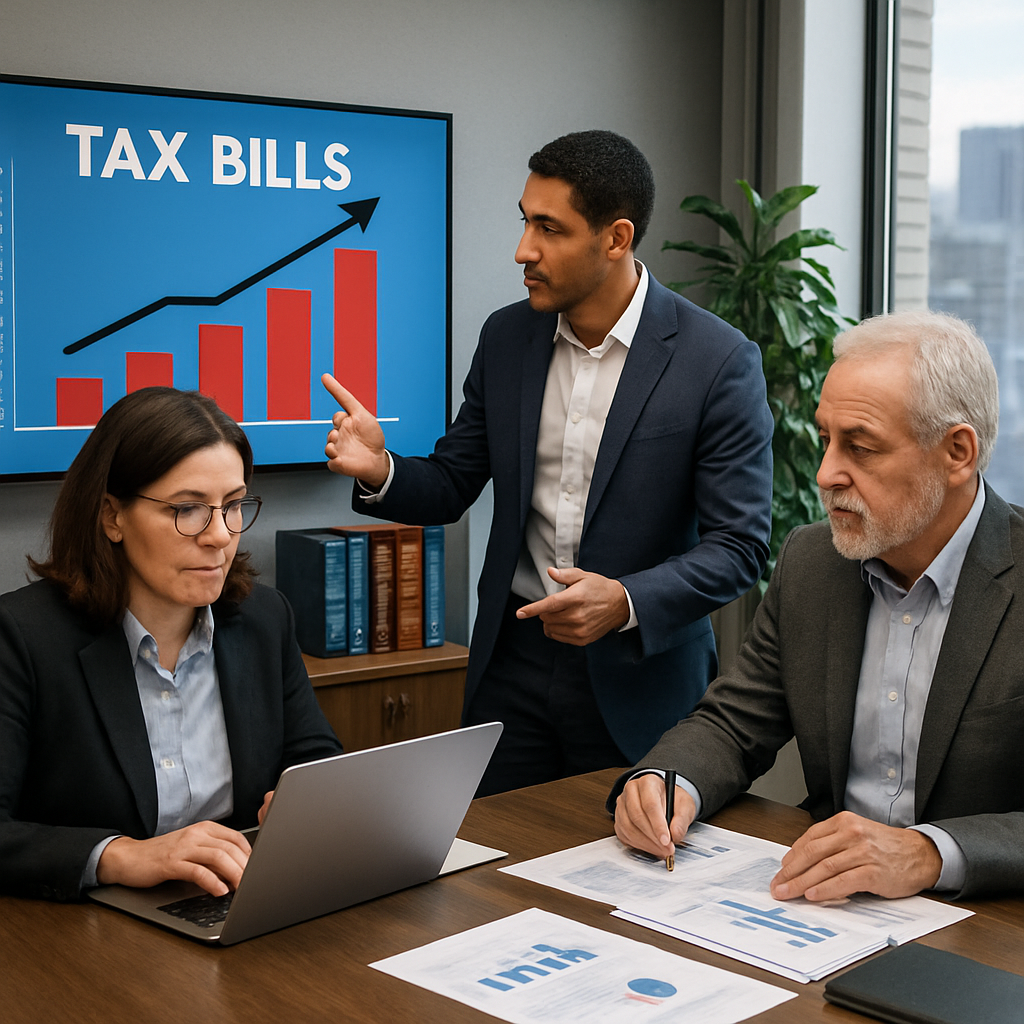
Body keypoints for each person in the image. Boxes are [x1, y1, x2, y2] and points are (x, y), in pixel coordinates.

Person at [323, 130, 773, 795]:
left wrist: (623, 601)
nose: (523, 250)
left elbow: (740, 547)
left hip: (639, 674)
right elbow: (451, 483)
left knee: (628, 855)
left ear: (616, 238)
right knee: (490, 850)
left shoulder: (717, 360)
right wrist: (380, 468)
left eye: (549, 228)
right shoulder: (506, 337)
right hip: (513, 665)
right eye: (525, 221)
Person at [612, 309, 1024, 901]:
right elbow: (734, 723)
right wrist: (667, 780)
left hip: (987, 926)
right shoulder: (813, 561)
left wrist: (930, 852)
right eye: (826, 440)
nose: (826, 474)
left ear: (957, 452)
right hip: (826, 908)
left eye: (861, 447)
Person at [0, 387, 343, 902]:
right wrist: (121, 856)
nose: (220, 535)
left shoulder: (264, 617)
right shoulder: (21, 636)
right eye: (187, 509)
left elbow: (313, 756)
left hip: (236, 898)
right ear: (112, 516)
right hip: (82, 925)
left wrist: (305, 801)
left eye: (232, 506)